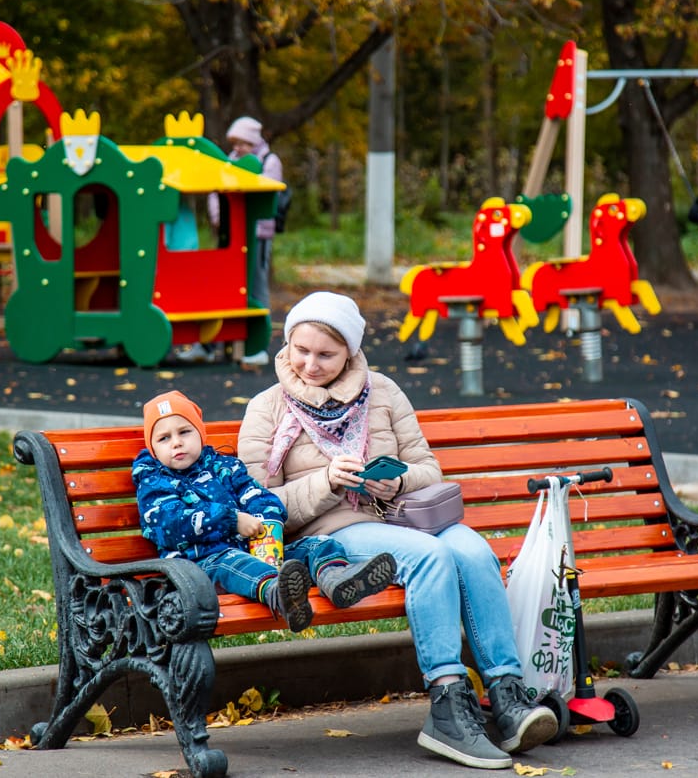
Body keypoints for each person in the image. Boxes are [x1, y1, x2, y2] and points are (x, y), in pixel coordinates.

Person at [238, 292, 558, 770]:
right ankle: (448, 705)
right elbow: (259, 506)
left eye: (326, 354)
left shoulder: (382, 392)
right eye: (301, 350)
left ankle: (508, 697)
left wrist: (398, 478)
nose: (310, 364)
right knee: (432, 558)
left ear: (350, 351)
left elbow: (428, 468)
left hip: (402, 516)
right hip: (334, 531)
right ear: (288, 343)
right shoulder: (268, 408)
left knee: (472, 550)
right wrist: (325, 482)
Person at [133, 390, 397, 633]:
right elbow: (168, 522)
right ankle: (280, 594)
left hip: (254, 550)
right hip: (200, 565)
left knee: (318, 545)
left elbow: (257, 495)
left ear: (200, 434)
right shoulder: (155, 481)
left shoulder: (224, 467)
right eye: (164, 438)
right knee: (232, 562)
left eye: (184, 432)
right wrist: (232, 520)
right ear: (153, 448)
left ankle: (336, 577)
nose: (177, 443)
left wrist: (267, 520)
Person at [179, 116, 283, 366]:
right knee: (221, 284)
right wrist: (217, 216)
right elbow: (217, 191)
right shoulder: (231, 161)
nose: (237, 148)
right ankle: (208, 343)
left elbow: (266, 193)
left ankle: (255, 345)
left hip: (257, 234)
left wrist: (249, 219)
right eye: (235, 143)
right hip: (230, 234)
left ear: (253, 142)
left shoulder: (268, 161)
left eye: (243, 143)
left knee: (255, 284)